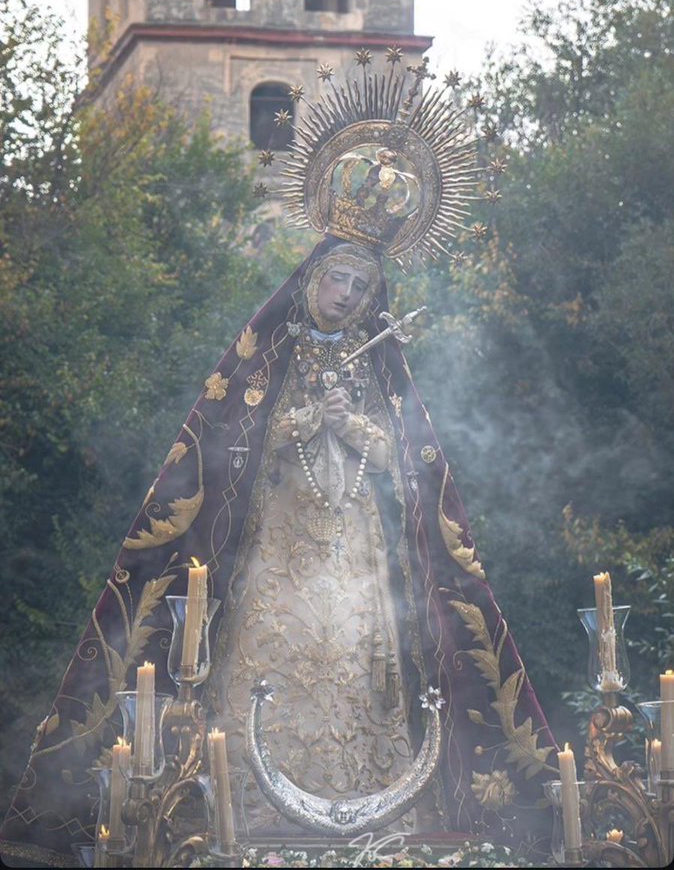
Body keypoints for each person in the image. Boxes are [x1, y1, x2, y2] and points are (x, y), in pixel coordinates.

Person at [0, 60, 559, 867]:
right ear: (310, 278)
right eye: (337, 278)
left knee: (359, 657)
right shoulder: (270, 354)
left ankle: (366, 819)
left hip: (354, 548)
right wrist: (302, 418)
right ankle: (248, 814)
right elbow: (231, 447)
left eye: (362, 287)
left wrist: (353, 428)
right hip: (276, 542)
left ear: (375, 300)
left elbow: (408, 465)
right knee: (273, 656)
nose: (347, 297)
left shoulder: (379, 363)